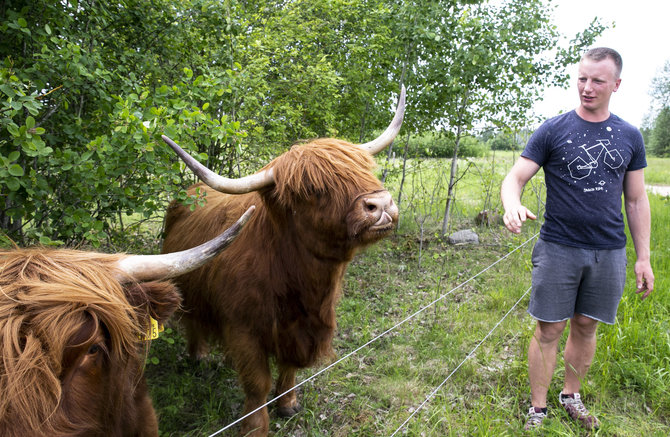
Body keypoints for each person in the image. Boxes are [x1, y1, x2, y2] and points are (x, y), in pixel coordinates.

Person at [500, 47, 654, 431]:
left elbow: (635, 200)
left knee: (586, 325)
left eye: (597, 81)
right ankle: (538, 408)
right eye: (582, 78)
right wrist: (511, 205)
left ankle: (571, 395)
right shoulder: (554, 129)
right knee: (549, 327)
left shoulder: (629, 135)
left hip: (609, 251)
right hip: (558, 247)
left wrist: (643, 257)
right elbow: (515, 178)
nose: (587, 87)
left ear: (616, 84)